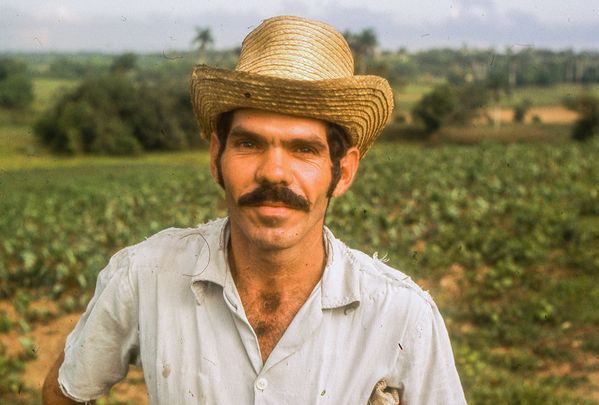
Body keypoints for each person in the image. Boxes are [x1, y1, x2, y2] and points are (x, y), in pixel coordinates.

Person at [43, 15, 467, 404]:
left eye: (304, 149)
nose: (273, 173)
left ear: (343, 171)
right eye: (249, 143)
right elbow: (66, 389)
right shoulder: (144, 275)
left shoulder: (402, 315)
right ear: (216, 158)